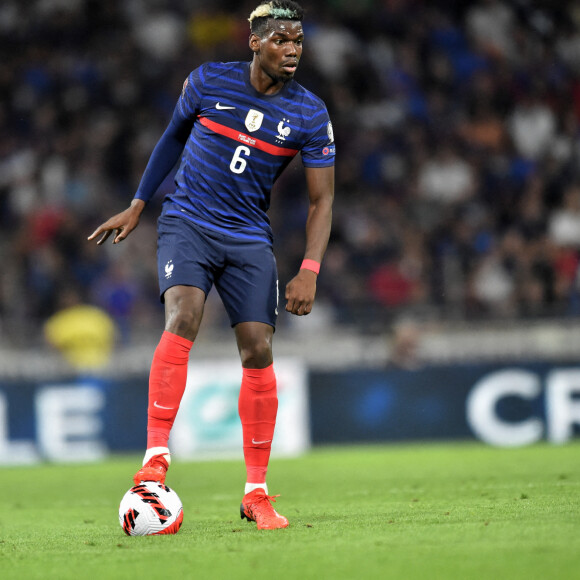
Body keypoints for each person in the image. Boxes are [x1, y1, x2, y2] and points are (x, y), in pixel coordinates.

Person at [88, 0, 335, 530]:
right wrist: (139, 203)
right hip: (188, 222)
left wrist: (309, 268)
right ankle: (155, 459)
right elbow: (172, 138)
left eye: (298, 41)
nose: (292, 49)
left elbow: (322, 202)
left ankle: (256, 493)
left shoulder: (310, 114)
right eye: (281, 40)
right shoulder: (206, 82)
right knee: (183, 316)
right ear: (255, 41)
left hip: (248, 236)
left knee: (259, 347)